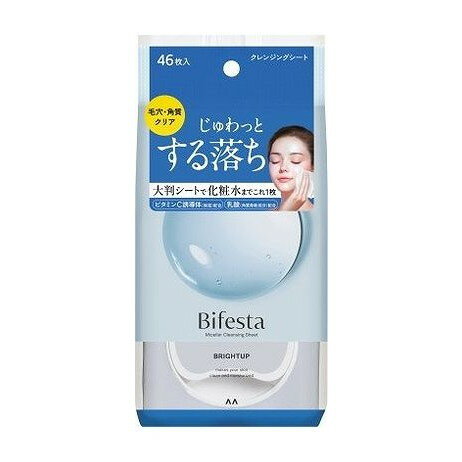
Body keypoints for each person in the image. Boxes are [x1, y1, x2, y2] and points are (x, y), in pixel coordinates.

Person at [268, 126, 314, 211]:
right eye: (275, 160)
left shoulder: (320, 215)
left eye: (295, 160)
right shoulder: (264, 215)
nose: (283, 168)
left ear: (313, 166)